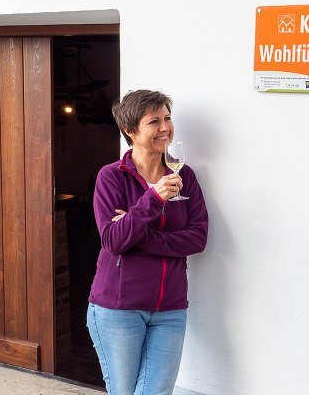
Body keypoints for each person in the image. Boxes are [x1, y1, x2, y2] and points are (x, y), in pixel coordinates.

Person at [86, 89, 209, 395]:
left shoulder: (184, 176)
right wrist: (153, 199)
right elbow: (113, 241)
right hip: (118, 309)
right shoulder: (111, 177)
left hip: (170, 310)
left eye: (167, 118)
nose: (165, 127)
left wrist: (139, 234)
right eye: (154, 121)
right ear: (130, 130)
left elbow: (198, 238)